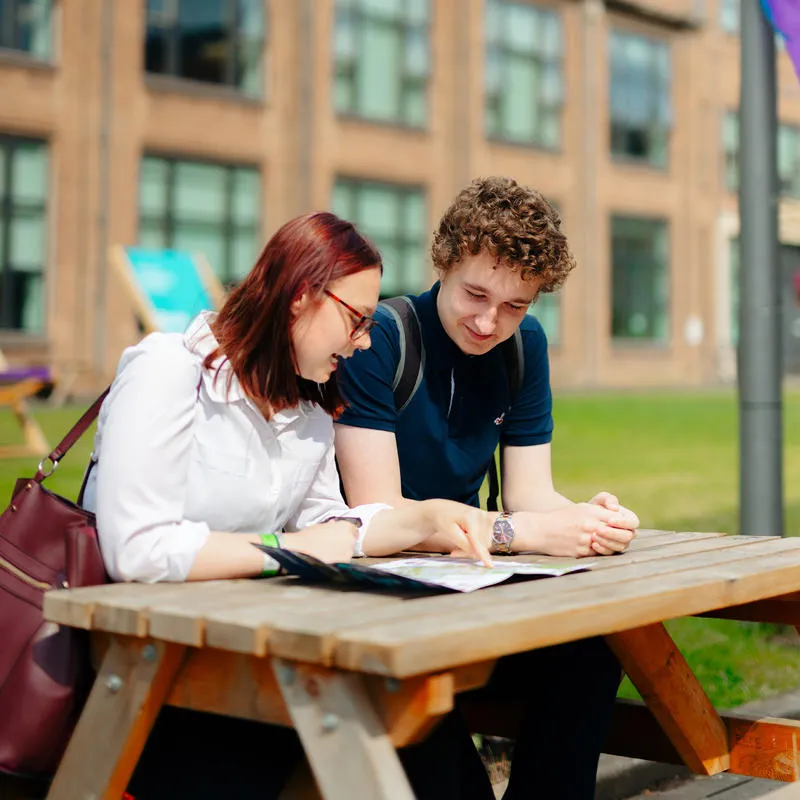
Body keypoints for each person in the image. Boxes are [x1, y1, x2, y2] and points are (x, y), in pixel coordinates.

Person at [82, 211, 494, 798]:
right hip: (142, 677)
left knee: (424, 723)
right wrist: (290, 550)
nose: (366, 341)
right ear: (302, 296)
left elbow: (335, 526)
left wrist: (426, 517)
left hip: (239, 659)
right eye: (358, 320)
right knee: (380, 732)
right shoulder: (169, 370)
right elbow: (138, 550)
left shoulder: (308, 409)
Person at [334, 176, 641, 799]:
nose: (488, 321)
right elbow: (378, 513)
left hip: (464, 592)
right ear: (443, 262)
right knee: (424, 701)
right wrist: (522, 531)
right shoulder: (382, 340)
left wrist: (586, 518)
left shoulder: (523, 347)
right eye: (476, 293)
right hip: (374, 607)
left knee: (589, 656)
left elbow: (531, 494)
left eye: (515, 305)